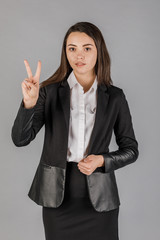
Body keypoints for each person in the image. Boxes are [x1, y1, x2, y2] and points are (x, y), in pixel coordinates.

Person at [11, 21, 139, 240]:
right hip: (57, 197)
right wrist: (29, 104)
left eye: (87, 48)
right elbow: (20, 139)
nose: (79, 55)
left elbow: (131, 150)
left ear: (99, 51)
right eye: (72, 49)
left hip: (100, 199)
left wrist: (102, 160)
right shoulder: (49, 93)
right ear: (65, 53)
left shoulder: (115, 97)